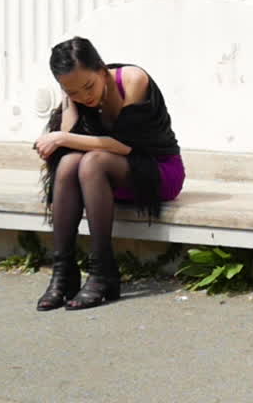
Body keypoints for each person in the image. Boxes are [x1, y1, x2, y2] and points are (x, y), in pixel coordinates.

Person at [32, 37, 185, 310]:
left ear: (102, 69)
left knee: (92, 162)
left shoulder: (133, 80)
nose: (85, 96)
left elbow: (124, 146)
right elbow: (67, 146)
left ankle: (103, 271)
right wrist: (68, 116)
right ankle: (64, 271)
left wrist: (60, 137)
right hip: (104, 178)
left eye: (89, 86)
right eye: (74, 92)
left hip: (157, 170)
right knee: (69, 165)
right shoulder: (75, 97)